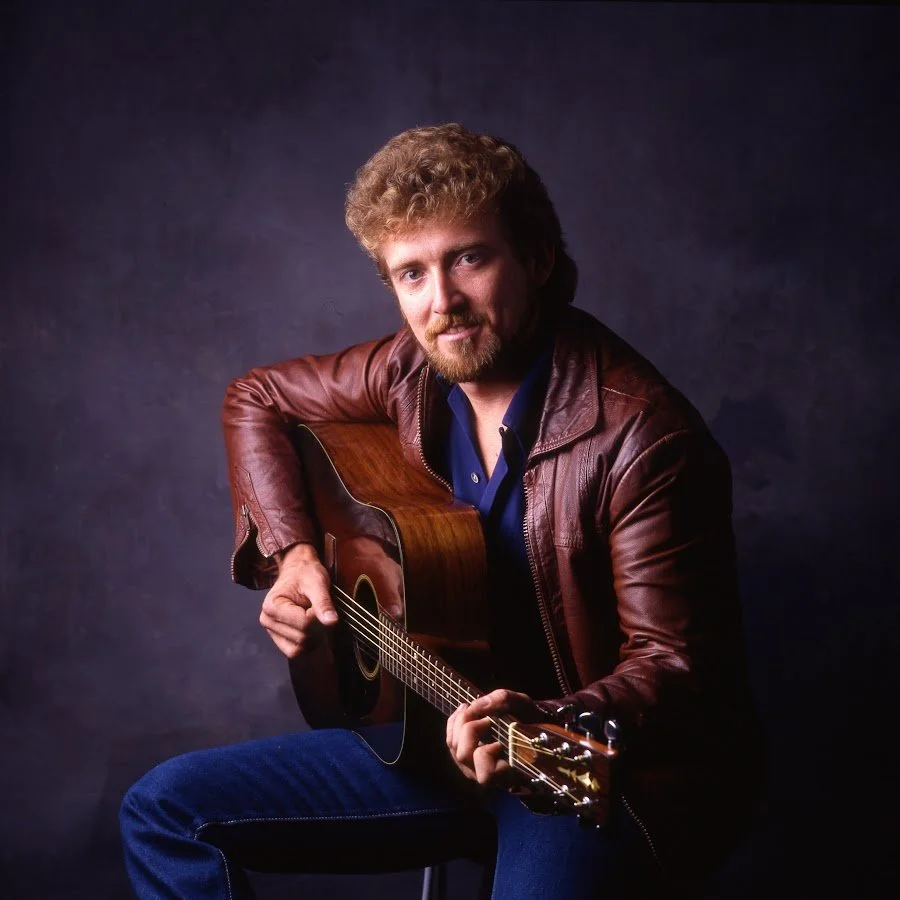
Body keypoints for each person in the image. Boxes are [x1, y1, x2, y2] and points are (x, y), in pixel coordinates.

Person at [120, 123, 765, 899]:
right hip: (427, 742)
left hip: (579, 776)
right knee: (165, 811)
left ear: (537, 257)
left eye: (469, 258)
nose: (443, 303)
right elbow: (256, 398)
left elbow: (677, 667)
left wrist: (545, 715)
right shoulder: (409, 369)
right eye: (411, 274)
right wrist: (291, 555)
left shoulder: (643, 436)